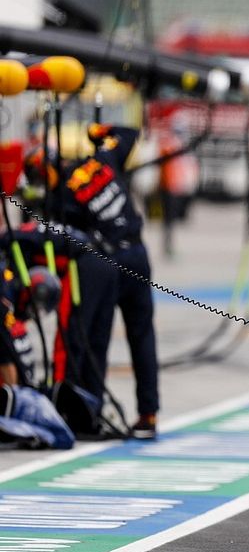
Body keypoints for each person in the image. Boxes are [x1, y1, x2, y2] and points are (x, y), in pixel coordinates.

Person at [32, 124, 160, 439]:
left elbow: (61, 238)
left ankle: (90, 410)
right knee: (142, 336)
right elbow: (129, 133)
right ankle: (148, 414)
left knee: (95, 337)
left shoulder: (61, 196)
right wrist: (100, 130)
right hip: (138, 253)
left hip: (107, 264)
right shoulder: (101, 159)